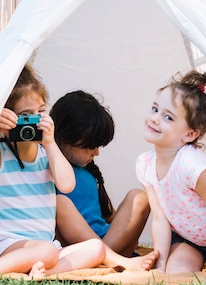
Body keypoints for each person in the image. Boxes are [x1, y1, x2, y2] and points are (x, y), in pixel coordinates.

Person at [0, 66, 106, 282]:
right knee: (47, 252)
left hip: (44, 247)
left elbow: (68, 185)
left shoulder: (47, 155)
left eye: (40, 112)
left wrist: (50, 143)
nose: (34, 121)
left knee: (96, 248)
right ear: (6, 121)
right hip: (5, 245)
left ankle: (41, 274)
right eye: (25, 116)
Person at [135, 70, 206, 274]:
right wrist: (159, 267)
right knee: (176, 274)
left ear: (190, 134)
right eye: (155, 109)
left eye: (167, 117)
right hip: (188, 239)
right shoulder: (145, 164)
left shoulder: (191, 165)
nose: (155, 119)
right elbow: (160, 218)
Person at [50, 90, 158, 270]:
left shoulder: (90, 173)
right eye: (90, 147)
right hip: (75, 250)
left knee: (139, 197)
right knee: (59, 203)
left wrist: (130, 231)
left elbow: (110, 216)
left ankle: (107, 258)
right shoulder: (46, 167)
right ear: (64, 138)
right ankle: (105, 258)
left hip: (108, 243)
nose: (96, 153)